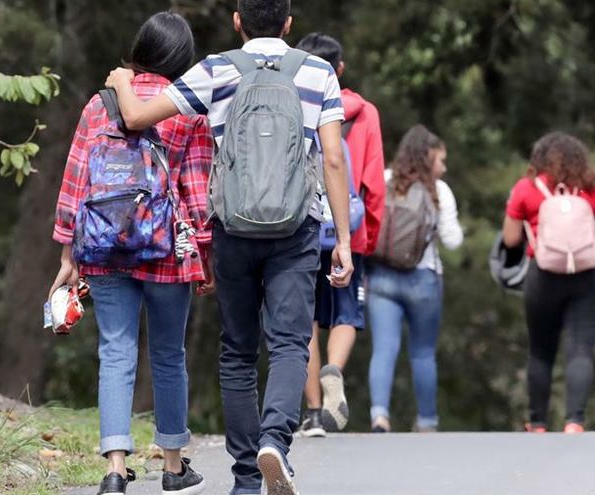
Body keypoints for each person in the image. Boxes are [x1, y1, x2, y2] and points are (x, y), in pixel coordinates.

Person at [104, 1, 354, 494]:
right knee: (289, 343)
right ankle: (275, 442)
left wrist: (120, 81)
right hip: (297, 229)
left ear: (237, 21)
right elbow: (332, 159)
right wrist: (342, 239)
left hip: (233, 229)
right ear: (289, 24)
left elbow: (134, 117)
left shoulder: (216, 69)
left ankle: (245, 479)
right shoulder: (319, 72)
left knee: (238, 352)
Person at [50, 12, 212, 495]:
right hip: (167, 251)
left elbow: (76, 179)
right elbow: (197, 193)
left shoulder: (98, 105)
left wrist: (67, 254)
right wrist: (204, 254)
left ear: (140, 48)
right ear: (182, 59)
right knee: (168, 354)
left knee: (115, 352)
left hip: (104, 247)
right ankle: (173, 466)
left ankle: (115, 470)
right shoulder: (186, 109)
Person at [502, 132, 595, 433]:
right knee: (580, 349)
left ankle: (538, 423)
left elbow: (510, 239)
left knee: (541, 351)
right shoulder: (593, 185)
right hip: (587, 279)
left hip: (543, 278)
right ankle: (574, 421)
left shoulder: (526, 188)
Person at [294, 32, 387, 436]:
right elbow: (374, 183)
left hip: (301, 227)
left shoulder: (294, 104)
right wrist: (369, 235)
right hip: (348, 229)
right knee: (346, 313)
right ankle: (335, 369)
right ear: (341, 69)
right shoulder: (365, 113)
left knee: (305, 320)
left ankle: (314, 412)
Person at [367, 125, 463, 433]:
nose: (443, 168)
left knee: (384, 349)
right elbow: (453, 241)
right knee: (422, 353)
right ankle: (427, 422)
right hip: (423, 280)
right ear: (429, 157)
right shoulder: (440, 191)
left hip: (381, 276)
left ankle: (379, 415)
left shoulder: (384, 178)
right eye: (441, 161)